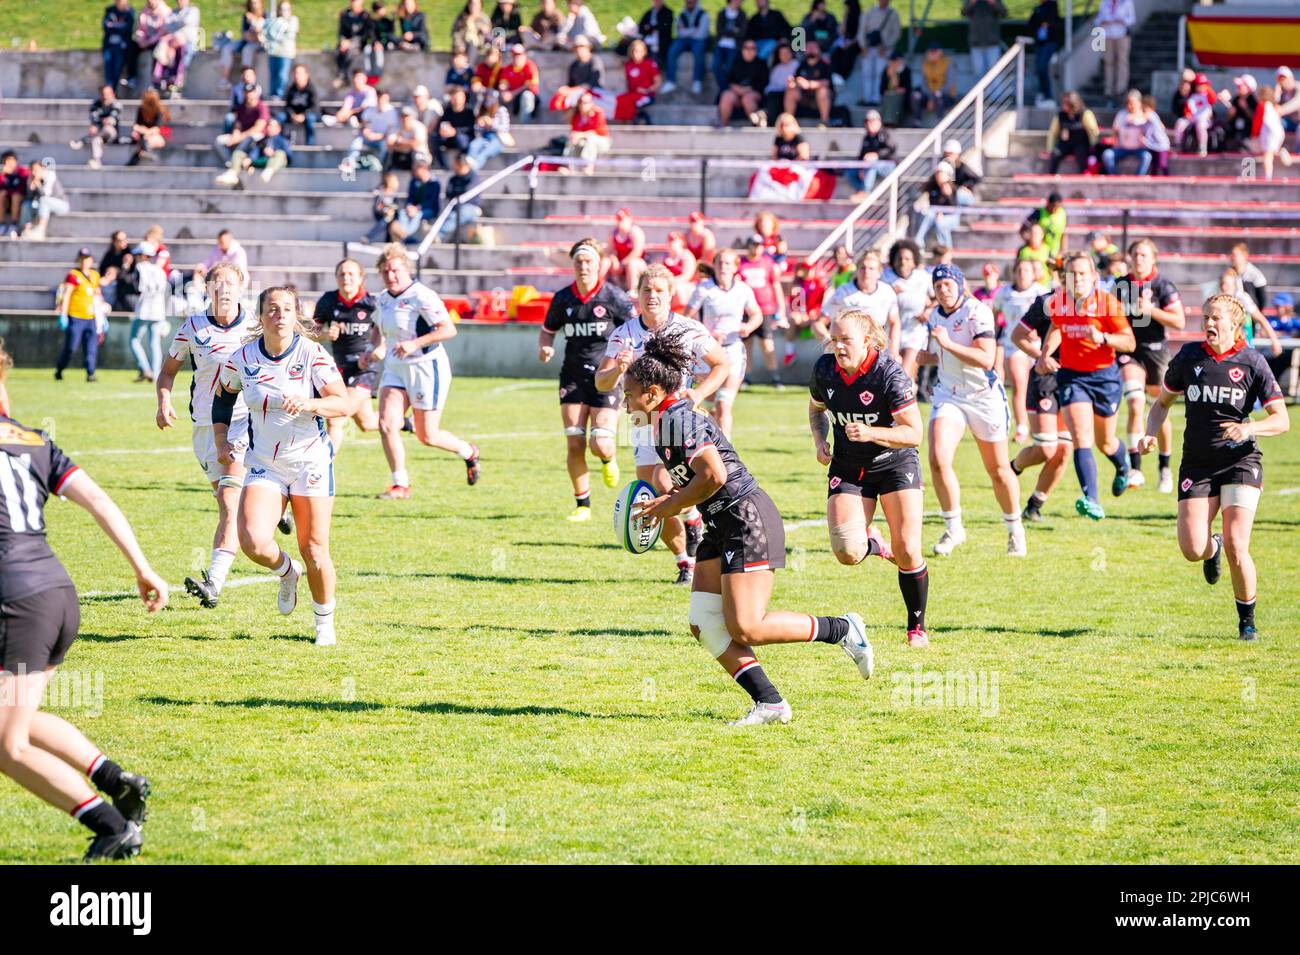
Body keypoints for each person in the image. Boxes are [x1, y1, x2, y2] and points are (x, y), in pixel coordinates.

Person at [628, 334, 873, 726]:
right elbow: (697, 482)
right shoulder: (664, 422)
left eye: (629, 395)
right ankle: (770, 703)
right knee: (704, 622)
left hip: (745, 517)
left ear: (653, 392)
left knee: (748, 625)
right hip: (721, 521)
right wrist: (667, 500)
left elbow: (715, 474)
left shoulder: (676, 418)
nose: (625, 405)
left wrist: (669, 506)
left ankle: (842, 629)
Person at [0, 343, 167, 862]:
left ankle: (111, 825)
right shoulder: (33, 439)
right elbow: (97, 498)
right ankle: (119, 782)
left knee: (7, 745)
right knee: (16, 717)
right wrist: (142, 567)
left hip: (18, 605)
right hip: (56, 597)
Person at [1141, 294, 1288, 641]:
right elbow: (1161, 404)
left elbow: (1282, 419)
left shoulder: (1252, 362)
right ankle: (1213, 548)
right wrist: (1149, 433)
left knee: (1239, 544)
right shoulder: (1189, 357)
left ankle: (1247, 621)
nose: (1208, 323)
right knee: (1193, 550)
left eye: (1216, 318)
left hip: (1240, 461)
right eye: (1206, 316)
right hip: (1198, 463)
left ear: (1235, 325)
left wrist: (1249, 428)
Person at [212, 287, 349, 647]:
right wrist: (221, 439)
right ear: (260, 316)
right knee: (253, 541)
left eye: (287, 308)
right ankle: (287, 573)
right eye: (272, 309)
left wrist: (309, 403)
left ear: (296, 315)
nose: (280, 314)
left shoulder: (312, 353)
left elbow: (342, 403)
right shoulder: (242, 358)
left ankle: (324, 625)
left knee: (315, 548)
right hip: (264, 464)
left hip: (310, 461)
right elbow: (223, 397)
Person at [596, 264, 729, 585]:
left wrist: (696, 394)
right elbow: (601, 382)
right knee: (654, 491)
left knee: (670, 488)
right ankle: (684, 560)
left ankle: (693, 519)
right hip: (640, 421)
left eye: (659, 291)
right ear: (637, 295)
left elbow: (721, 364)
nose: (652, 296)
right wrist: (617, 371)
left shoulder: (687, 329)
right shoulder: (624, 334)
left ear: (671, 295)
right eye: (646, 290)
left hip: (678, 422)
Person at [809, 308, 931, 647]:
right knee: (847, 552)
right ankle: (874, 544)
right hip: (848, 467)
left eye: (845, 340)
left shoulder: (888, 374)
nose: (838, 347)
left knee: (907, 549)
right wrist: (821, 441)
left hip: (895, 463)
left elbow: (914, 433)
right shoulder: (824, 369)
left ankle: (916, 627)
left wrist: (872, 432)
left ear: (866, 340)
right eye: (833, 340)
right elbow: (815, 408)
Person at [159, 262, 266, 609]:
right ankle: (274, 505)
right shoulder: (192, 326)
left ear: (241, 287)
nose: (224, 290)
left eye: (230, 284)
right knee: (226, 502)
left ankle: (214, 582)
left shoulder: (254, 326)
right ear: (207, 289)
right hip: (204, 427)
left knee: (227, 501)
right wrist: (163, 401)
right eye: (217, 284)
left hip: (240, 421)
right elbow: (167, 372)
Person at [914, 264, 1024, 556]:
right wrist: (910, 355)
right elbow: (936, 356)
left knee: (998, 470)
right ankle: (954, 528)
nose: (943, 290)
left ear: (960, 285)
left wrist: (946, 343)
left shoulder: (977, 311)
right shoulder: (936, 315)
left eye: (948, 285)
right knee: (937, 459)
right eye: (938, 287)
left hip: (983, 397)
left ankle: (1015, 529)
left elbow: (986, 359)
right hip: (949, 395)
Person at [365, 246, 481, 499]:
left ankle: (468, 452)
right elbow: (377, 327)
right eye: (385, 272)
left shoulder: (422, 296)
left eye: (395, 270)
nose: (390, 276)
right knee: (386, 424)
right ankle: (400, 484)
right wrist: (375, 348)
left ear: (406, 269)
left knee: (427, 435)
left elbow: (448, 330)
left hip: (426, 366)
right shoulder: (383, 297)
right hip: (396, 367)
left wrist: (414, 344)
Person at [539, 239, 636, 520]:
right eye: (579, 262)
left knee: (600, 443)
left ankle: (608, 458)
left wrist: (627, 360)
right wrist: (545, 346)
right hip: (572, 377)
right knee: (574, 441)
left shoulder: (614, 298)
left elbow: (635, 328)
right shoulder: (562, 299)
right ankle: (583, 506)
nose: (583, 266)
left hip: (607, 376)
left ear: (599, 264)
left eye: (589, 261)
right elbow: (547, 330)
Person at [1035, 252, 1136, 520]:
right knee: (1081, 436)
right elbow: (1057, 327)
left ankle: (1122, 466)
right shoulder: (1059, 302)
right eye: (1072, 273)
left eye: (1082, 273)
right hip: (1072, 376)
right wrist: (1045, 354)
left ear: (1093, 276)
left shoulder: (1107, 304)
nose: (1077, 278)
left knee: (1106, 443)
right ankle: (1091, 499)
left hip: (1105, 378)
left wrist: (1103, 337)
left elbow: (1129, 342)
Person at [1110, 238, 1184, 493]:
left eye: (1144, 255)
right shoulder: (1120, 286)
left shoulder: (1163, 285)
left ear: (1153, 258)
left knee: (1159, 407)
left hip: (1156, 352)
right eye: (1135, 254)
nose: (1139, 259)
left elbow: (1179, 322)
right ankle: (1136, 468)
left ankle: (1164, 467)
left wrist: (1151, 311)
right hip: (1129, 351)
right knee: (1134, 402)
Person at [686, 248, 764, 437]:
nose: (723, 267)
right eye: (720, 262)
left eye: (728, 263)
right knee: (709, 405)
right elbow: (687, 317)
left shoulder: (743, 289)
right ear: (714, 265)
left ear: (735, 267)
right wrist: (707, 333)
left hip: (733, 350)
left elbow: (757, 315)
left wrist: (748, 326)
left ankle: (727, 452)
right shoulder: (704, 288)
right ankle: (712, 444)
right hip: (707, 352)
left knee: (723, 404)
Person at [1009, 290, 1072, 521]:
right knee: (1046, 448)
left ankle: (1034, 506)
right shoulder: (1047, 301)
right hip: (1046, 379)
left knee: (1064, 450)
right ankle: (1011, 468)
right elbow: (1017, 335)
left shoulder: (1097, 302)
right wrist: (1043, 357)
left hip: (1075, 381)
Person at [312, 260, 381, 457]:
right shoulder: (328, 301)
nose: (346, 278)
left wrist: (377, 350)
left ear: (361, 278)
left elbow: (385, 334)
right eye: (342, 274)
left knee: (335, 418)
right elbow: (311, 332)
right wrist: (326, 334)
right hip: (339, 370)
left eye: (351, 274)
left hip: (364, 369)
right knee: (367, 423)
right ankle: (402, 422)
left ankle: (323, 469)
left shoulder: (372, 304)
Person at [993, 258, 1049, 444]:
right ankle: (1021, 428)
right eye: (1019, 270)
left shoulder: (1041, 292)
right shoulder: (1004, 293)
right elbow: (995, 313)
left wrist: (1038, 331)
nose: (1022, 274)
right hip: (1013, 344)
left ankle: (1040, 426)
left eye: (1027, 270)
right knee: (1019, 384)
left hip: (1037, 345)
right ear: (1014, 273)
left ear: (1034, 274)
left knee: (1039, 384)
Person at [822, 250, 900, 357]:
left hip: (877, 351)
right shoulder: (843, 292)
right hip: (849, 352)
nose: (866, 272)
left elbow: (895, 322)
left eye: (871, 268)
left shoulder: (887, 292)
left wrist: (894, 351)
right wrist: (829, 340)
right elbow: (819, 322)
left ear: (879, 272)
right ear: (857, 270)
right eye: (863, 268)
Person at [737, 234, 788, 389]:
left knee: (767, 344)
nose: (757, 248)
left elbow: (776, 286)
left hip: (765, 310)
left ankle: (775, 377)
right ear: (749, 246)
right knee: (747, 345)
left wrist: (781, 310)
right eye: (754, 244)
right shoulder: (741, 264)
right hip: (747, 310)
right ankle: (747, 377)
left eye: (760, 245)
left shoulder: (768, 263)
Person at [55, 250, 106, 384]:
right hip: (76, 316)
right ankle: (60, 369)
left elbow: (97, 295)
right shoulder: (73, 275)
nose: (85, 261)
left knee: (91, 348)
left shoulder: (95, 275)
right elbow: (66, 295)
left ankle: (91, 373)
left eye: (87, 258)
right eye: (82, 259)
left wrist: (102, 316)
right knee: (71, 347)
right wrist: (64, 315)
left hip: (91, 317)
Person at [883, 238, 930, 379]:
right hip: (889, 333)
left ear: (914, 261)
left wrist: (928, 311)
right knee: (890, 376)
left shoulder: (923, 278)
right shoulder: (884, 278)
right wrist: (889, 293)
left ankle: (909, 390)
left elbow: (937, 299)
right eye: (899, 258)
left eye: (907, 258)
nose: (903, 262)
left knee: (904, 376)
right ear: (893, 260)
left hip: (914, 332)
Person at [129, 242, 169, 384]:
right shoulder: (160, 270)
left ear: (143, 255)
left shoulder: (139, 268)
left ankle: (145, 368)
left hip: (144, 309)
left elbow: (135, 288)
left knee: (134, 340)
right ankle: (156, 373)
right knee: (154, 343)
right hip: (158, 310)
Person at [214, 84, 270, 184]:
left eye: (251, 92)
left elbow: (258, 128)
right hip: (242, 136)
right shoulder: (241, 107)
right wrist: (235, 135)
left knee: (250, 137)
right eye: (247, 92)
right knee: (219, 140)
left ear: (255, 93)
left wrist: (240, 137)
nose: (249, 95)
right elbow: (237, 125)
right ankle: (232, 164)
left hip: (256, 138)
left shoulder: (261, 107)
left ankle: (234, 170)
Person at [662, 0, 710, 97]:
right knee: (672, 50)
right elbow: (679, 32)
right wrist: (693, 30)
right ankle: (670, 81)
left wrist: (687, 31)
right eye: (688, 2)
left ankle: (697, 81)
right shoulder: (682, 15)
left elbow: (701, 34)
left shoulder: (703, 15)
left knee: (698, 51)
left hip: (698, 40)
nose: (690, 3)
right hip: (684, 40)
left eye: (692, 2)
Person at [857, 0, 900, 106]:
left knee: (879, 74)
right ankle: (867, 98)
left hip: (883, 50)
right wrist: (863, 46)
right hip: (869, 48)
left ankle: (876, 98)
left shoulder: (893, 14)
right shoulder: (868, 12)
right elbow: (861, 31)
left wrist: (886, 46)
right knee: (867, 74)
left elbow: (896, 33)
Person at [717, 37, 768, 127]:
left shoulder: (761, 64)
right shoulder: (736, 62)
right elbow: (729, 80)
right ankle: (723, 125)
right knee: (726, 95)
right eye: (746, 48)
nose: (749, 51)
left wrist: (749, 89)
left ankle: (756, 125)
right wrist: (735, 88)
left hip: (753, 95)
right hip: (736, 94)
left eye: (752, 48)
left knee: (747, 98)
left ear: (756, 50)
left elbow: (763, 84)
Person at [846, 109, 896, 200]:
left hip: (887, 165)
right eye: (866, 121)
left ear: (879, 122)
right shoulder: (867, 137)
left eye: (872, 121)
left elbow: (892, 149)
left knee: (871, 163)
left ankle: (866, 192)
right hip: (871, 167)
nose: (869, 124)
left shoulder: (884, 134)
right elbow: (861, 156)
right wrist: (860, 167)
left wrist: (877, 155)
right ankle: (861, 189)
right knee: (850, 172)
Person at [1044, 91, 1098, 173]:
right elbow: (1053, 133)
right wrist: (1049, 149)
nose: (1063, 105)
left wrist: (1093, 148)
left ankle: (1084, 177)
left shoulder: (1085, 114)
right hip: (1065, 144)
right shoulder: (1060, 115)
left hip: (1080, 144)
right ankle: (1051, 176)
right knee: (1056, 154)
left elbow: (1093, 131)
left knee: (1081, 155)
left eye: (1066, 103)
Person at [1102, 89, 1153, 176]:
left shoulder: (1146, 115)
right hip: (1122, 148)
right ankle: (1116, 177)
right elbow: (1115, 131)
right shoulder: (1121, 114)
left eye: (1132, 103)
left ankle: (1137, 178)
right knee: (1107, 155)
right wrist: (1114, 141)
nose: (1130, 105)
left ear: (1139, 103)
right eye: (1128, 103)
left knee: (1147, 156)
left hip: (1139, 149)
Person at [784, 40, 833, 126]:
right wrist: (793, 83)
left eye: (813, 47)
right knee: (790, 91)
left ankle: (824, 122)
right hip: (804, 97)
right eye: (808, 47)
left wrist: (809, 84)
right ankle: (789, 123)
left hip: (821, 98)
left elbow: (827, 82)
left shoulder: (824, 64)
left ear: (818, 50)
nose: (810, 50)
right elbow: (796, 79)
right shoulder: (802, 65)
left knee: (823, 91)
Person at [1094, 0, 1134, 106]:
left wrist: (1121, 20)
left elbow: (1131, 19)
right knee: (1108, 62)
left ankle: (1121, 89)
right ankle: (1109, 89)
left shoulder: (1126, 2)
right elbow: (1097, 20)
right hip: (1108, 35)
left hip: (1122, 35)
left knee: (1122, 62)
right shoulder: (1104, 3)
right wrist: (1104, 21)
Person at [219, 0, 267, 88]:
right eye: (252, 3)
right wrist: (252, 34)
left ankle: (247, 79)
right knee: (227, 48)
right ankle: (224, 80)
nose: (254, 5)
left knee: (247, 50)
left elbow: (261, 37)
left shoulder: (265, 15)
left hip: (259, 44)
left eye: (256, 2)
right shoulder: (246, 15)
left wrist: (253, 22)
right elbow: (245, 35)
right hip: (246, 41)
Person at [75, 85, 123, 171]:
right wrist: (97, 125)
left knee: (107, 128)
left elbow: (112, 119)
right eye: (103, 94)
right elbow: (94, 118)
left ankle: (84, 140)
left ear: (112, 94)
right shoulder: (96, 105)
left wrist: (99, 124)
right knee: (96, 140)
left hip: (112, 134)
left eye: (107, 94)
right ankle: (96, 160)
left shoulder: (116, 104)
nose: (105, 96)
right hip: (99, 135)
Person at [914, 161, 960, 250]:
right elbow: (933, 205)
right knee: (928, 214)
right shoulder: (933, 188)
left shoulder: (953, 188)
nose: (938, 175)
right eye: (938, 172)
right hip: (936, 215)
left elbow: (954, 208)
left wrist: (948, 196)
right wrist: (939, 212)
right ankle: (919, 241)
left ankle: (946, 249)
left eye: (941, 172)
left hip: (951, 217)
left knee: (941, 223)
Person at [18, 161, 69, 242]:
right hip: (43, 206)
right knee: (26, 204)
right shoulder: (30, 179)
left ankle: (40, 230)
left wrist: (38, 185)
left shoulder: (50, 176)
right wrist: (31, 188)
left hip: (61, 205)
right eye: (32, 170)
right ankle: (25, 229)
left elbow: (45, 194)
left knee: (44, 200)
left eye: (36, 170)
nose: (34, 173)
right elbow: (30, 198)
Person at [565, 90, 611, 172]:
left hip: (601, 141)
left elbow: (594, 132)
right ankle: (570, 167)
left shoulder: (597, 113)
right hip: (584, 141)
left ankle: (589, 166)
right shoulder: (577, 117)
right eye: (581, 102)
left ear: (591, 103)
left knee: (591, 139)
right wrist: (575, 138)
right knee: (572, 142)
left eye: (586, 102)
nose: (583, 105)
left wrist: (580, 135)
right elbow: (575, 132)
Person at [495, 43, 541, 123]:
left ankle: (524, 125)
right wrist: (503, 92)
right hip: (513, 97)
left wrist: (512, 94)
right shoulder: (508, 68)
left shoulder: (530, 66)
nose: (517, 57)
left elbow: (528, 85)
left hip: (528, 98)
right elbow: (503, 84)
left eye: (519, 54)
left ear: (525, 54)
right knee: (494, 94)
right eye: (514, 54)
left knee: (527, 96)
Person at [604, 207, 647, 292]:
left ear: (629, 219)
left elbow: (637, 251)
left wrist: (623, 263)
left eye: (623, 219)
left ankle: (632, 291)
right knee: (606, 262)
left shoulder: (635, 231)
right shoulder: (614, 233)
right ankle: (599, 288)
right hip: (620, 264)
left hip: (638, 263)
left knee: (631, 263)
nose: (620, 222)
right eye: (619, 219)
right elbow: (609, 251)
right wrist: (614, 259)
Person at [618, 38, 661, 124]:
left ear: (644, 52)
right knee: (620, 101)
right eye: (634, 51)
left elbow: (658, 82)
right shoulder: (628, 65)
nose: (636, 54)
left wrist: (647, 90)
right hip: (633, 94)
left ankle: (644, 120)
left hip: (646, 95)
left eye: (639, 51)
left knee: (634, 104)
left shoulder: (649, 64)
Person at [264, 1, 300, 100]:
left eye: (286, 9)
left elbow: (287, 34)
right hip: (273, 52)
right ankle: (272, 95)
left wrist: (275, 29)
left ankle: (280, 95)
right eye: (282, 9)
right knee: (273, 75)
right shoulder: (276, 20)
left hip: (285, 53)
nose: (284, 12)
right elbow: (269, 32)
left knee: (282, 76)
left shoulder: (293, 20)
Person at [1028, 0, 1062, 103]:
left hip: (1050, 42)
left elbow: (1051, 20)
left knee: (1042, 67)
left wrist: (1044, 22)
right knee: (1039, 68)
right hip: (1040, 43)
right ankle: (1043, 92)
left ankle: (1048, 94)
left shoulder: (1052, 5)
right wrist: (1040, 22)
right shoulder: (1038, 8)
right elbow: (1031, 23)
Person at [1172, 73, 1214, 157]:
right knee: (1180, 123)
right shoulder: (1192, 95)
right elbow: (1187, 106)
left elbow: (1213, 98)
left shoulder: (1207, 94)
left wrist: (1208, 87)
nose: (1201, 87)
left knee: (1201, 126)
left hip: (1204, 119)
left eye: (1203, 85)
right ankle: (1178, 144)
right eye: (1199, 85)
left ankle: (1202, 147)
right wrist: (1187, 113)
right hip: (1192, 118)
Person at [962, 0, 1006, 78]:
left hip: (992, 43)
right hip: (976, 43)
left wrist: (993, 3)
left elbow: (1004, 13)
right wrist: (972, 2)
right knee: (978, 74)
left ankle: (995, 91)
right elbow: (963, 12)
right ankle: (980, 91)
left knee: (995, 73)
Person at [127, 88, 171, 166]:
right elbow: (136, 125)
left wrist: (146, 131)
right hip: (144, 135)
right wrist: (142, 130)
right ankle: (144, 153)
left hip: (157, 136)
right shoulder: (141, 109)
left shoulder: (160, 110)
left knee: (147, 139)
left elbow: (158, 128)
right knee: (139, 136)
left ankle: (143, 153)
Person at [713, 0, 747, 93]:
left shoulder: (742, 15)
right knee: (716, 67)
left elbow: (742, 33)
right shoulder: (722, 13)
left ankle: (724, 92)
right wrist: (734, 31)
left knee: (729, 68)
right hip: (720, 45)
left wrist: (727, 32)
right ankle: (725, 90)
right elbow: (719, 30)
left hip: (734, 46)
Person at [280, 64, 319, 145]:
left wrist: (303, 116)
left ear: (306, 75)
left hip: (308, 115)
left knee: (310, 119)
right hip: (294, 115)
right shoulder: (291, 89)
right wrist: (292, 115)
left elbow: (314, 107)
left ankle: (310, 146)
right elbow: (287, 106)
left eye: (300, 73)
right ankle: (282, 143)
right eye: (296, 73)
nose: (297, 76)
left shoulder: (311, 90)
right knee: (280, 118)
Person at [1021, 191, 1066, 260]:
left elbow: (1064, 234)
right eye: (1053, 206)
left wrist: (1062, 251)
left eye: (1057, 207)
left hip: (1056, 252)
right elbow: (1023, 229)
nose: (1055, 209)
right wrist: (1030, 242)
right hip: (1041, 252)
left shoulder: (1062, 213)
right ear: (1048, 203)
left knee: (1057, 268)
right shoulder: (1039, 213)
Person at [335, 0, 372, 84]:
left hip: (359, 42)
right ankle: (343, 75)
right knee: (338, 51)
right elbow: (341, 32)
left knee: (350, 51)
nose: (354, 3)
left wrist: (350, 42)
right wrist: (343, 41)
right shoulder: (345, 14)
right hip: (346, 43)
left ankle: (343, 75)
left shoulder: (365, 15)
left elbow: (365, 34)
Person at [914, 45, 955, 118]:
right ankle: (917, 122)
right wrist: (930, 97)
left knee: (939, 97)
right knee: (916, 95)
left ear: (940, 52)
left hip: (946, 95)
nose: (931, 54)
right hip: (930, 94)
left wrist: (934, 96)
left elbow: (949, 84)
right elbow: (923, 84)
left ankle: (940, 124)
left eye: (933, 52)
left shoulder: (947, 63)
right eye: (930, 52)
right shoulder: (925, 64)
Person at [103, 0, 136, 88]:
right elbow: (105, 26)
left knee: (117, 70)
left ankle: (113, 91)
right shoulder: (110, 10)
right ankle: (110, 91)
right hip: (109, 46)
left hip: (122, 46)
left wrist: (113, 25)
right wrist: (120, 26)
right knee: (108, 71)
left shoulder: (129, 12)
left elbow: (127, 27)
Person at [1141, 94, 1171, 175]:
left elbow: (1141, 118)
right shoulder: (1153, 116)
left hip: (1161, 145)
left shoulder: (1151, 114)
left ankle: (1167, 178)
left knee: (1162, 164)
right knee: (1153, 166)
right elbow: (1162, 126)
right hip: (1152, 144)